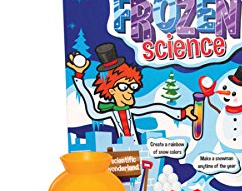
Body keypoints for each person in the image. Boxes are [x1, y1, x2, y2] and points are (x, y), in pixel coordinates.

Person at [66, 42, 196, 144]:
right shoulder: (110, 113)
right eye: (123, 86)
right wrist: (79, 75)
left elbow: (157, 108)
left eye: (133, 86)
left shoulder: (132, 110)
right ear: (111, 90)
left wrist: (183, 112)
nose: (129, 90)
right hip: (120, 155)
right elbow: (91, 109)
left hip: (137, 151)